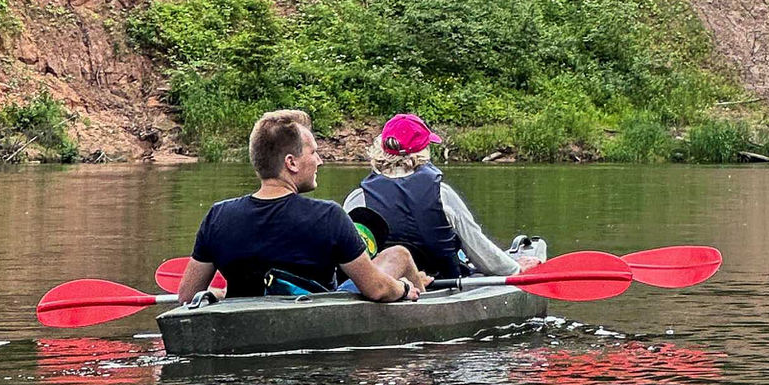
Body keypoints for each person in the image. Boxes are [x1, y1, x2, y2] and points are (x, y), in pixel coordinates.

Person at [174, 110, 429, 302]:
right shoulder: (329, 216)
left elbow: (187, 296)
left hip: (248, 322)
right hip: (316, 325)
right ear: (291, 163)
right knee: (399, 255)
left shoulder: (218, 216)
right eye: (313, 153)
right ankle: (428, 302)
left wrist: (221, 295)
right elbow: (377, 289)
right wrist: (404, 288)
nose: (319, 161)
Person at [342, 112, 536, 279]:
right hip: (442, 283)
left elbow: (347, 257)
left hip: (384, 286)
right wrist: (516, 268)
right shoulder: (442, 195)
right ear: (422, 151)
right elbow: (480, 253)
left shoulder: (357, 198)